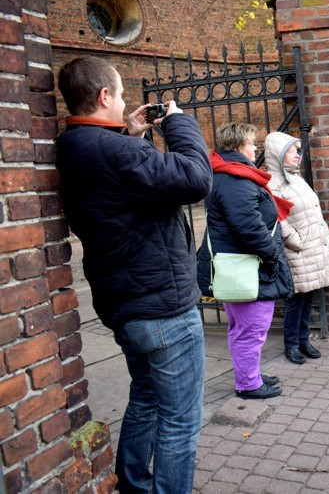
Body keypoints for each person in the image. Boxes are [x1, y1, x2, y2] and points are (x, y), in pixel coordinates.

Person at [56, 56, 213, 493]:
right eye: (121, 94)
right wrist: (178, 123)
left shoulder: (74, 145)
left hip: (126, 304)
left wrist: (131, 136)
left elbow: (121, 189)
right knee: (181, 419)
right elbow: (196, 179)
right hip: (163, 309)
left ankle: (131, 484)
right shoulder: (115, 151)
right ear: (105, 95)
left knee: (146, 398)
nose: (124, 102)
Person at [197, 122, 294, 399]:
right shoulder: (235, 179)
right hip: (248, 267)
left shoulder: (228, 175)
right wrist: (272, 256)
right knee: (251, 330)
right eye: (252, 143)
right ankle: (249, 384)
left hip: (241, 265)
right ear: (238, 145)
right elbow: (249, 227)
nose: (255, 148)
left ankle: (250, 374)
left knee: (242, 328)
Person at [263, 131, 329, 365]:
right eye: (290, 151)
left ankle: (304, 340)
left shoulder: (296, 178)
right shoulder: (272, 184)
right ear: (277, 154)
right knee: (296, 299)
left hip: (312, 246)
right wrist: (297, 241)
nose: (297, 155)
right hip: (296, 249)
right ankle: (292, 344)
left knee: (309, 294)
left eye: (297, 150)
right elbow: (278, 220)